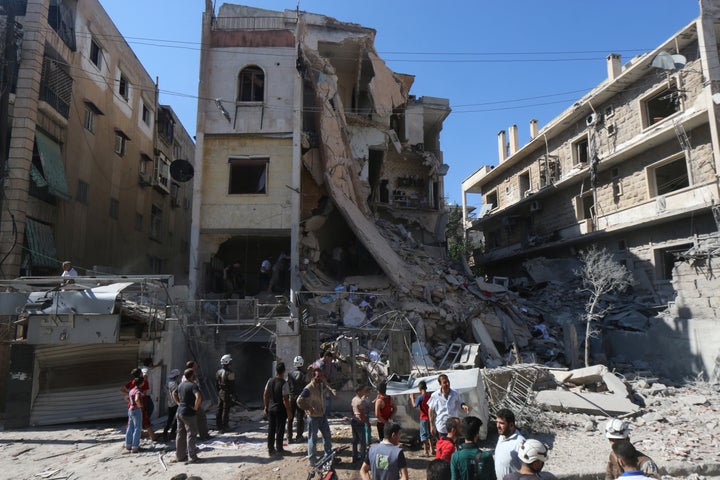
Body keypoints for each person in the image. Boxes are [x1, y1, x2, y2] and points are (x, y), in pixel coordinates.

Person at [296, 368, 333, 466]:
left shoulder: (321, 386)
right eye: (317, 377)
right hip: (313, 417)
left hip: (322, 415)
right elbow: (299, 400)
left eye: (320, 376)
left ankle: (328, 455)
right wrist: (307, 408)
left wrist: (324, 381)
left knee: (327, 436)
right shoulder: (308, 388)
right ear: (313, 377)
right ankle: (312, 460)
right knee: (313, 438)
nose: (319, 378)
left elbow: (331, 389)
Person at [450, 416, 495, 480]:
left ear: (463, 433)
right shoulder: (487, 457)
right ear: (477, 434)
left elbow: (454, 478)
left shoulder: (455, 456)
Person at [174, 368, 204, 464]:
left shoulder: (180, 385)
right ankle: (193, 457)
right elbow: (198, 396)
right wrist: (195, 407)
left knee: (180, 434)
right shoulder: (193, 385)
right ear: (191, 375)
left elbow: (173, 393)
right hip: (188, 413)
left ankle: (180, 456)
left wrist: (178, 403)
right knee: (191, 434)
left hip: (179, 412)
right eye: (194, 374)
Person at [428, 374, 470, 439]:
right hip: (442, 426)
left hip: (454, 428)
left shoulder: (454, 393)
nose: (447, 384)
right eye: (444, 382)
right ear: (440, 384)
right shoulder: (435, 395)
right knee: (444, 447)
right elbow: (430, 410)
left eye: (448, 381)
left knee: (455, 447)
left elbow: (460, 402)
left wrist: (464, 406)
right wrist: (431, 425)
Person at [264, 361, 292, 457]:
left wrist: (266, 406)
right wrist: (289, 412)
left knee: (271, 429)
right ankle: (279, 448)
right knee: (280, 429)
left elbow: (265, 395)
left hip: (271, 409)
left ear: (276, 370)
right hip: (280, 409)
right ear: (283, 371)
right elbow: (285, 399)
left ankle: (270, 449)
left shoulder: (270, 381)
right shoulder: (284, 383)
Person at [494, 409, 525, 480]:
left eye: (501, 423)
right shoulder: (501, 437)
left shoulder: (520, 443)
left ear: (511, 425)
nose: (498, 426)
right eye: (497, 422)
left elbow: (526, 471)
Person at [183, 360, 211, 440]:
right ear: (191, 367)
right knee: (200, 418)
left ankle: (203, 435)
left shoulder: (190, 376)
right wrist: (196, 405)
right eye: (195, 365)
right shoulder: (188, 378)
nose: (197, 366)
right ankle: (203, 435)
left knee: (200, 418)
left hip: (193, 402)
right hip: (193, 402)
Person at [309, 350, 338, 416]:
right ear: (326, 357)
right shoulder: (322, 364)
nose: (330, 360)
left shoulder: (317, 362)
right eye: (330, 358)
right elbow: (322, 377)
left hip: (316, 384)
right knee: (326, 399)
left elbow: (310, 367)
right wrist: (329, 387)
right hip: (321, 384)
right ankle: (325, 413)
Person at [286, 355, 307, 444]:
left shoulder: (290, 374)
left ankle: (289, 438)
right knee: (300, 418)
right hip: (300, 398)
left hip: (291, 398)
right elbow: (306, 387)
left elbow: (287, 384)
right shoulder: (304, 374)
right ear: (302, 363)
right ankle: (299, 437)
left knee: (290, 418)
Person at [411, 380, 433, 456]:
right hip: (430, 418)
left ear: (420, 389)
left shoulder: (420, 397)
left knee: (424, 434)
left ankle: (425, 451)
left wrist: (412, 398)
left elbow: (414, 405)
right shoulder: (430, 396)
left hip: (423, 418)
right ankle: (432, 449)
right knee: (430, 433)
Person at [351, 384, 371, 466]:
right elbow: (362, 414)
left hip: (354, 421)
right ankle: (362, 458)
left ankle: (354, 457)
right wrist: (367, 423)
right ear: (359, 391)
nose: (364, 391)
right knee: (362, 442)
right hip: (359, 422)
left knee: (355, 441)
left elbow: (351, 410)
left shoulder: (354, 399)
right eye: (362, 390)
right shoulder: (360, 401)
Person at [123, 376, 144, 454]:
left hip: (130, 409)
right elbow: (137, 399)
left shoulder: (131, 390)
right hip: (136, 410)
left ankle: (128, 445)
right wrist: (139, 405)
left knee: (130, 427)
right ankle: (135, 446)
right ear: (141, 383)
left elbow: (127, 398)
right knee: (137, 428)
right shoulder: (137, 391)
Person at [215, 354, 235, 432]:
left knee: (219, 408)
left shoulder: (218, 372)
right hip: (227, 392)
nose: (231, 363)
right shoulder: (230, 373)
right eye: (230, 362)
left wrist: (218, 391)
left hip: (220, 392)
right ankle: (225, 426)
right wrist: (233, 394)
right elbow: (232, 385)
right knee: (225, 410)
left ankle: (218, 425)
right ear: (227, 362)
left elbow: (216, 384)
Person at [162, 368, 180, 442]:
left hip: (170, 403)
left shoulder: (167, 382)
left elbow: (165, 391)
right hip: (175, 403)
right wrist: (179, 402)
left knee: (170, 419)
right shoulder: (174, 384)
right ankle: (172, 433)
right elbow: (175, 393)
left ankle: (165, 433)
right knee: (176, 419)